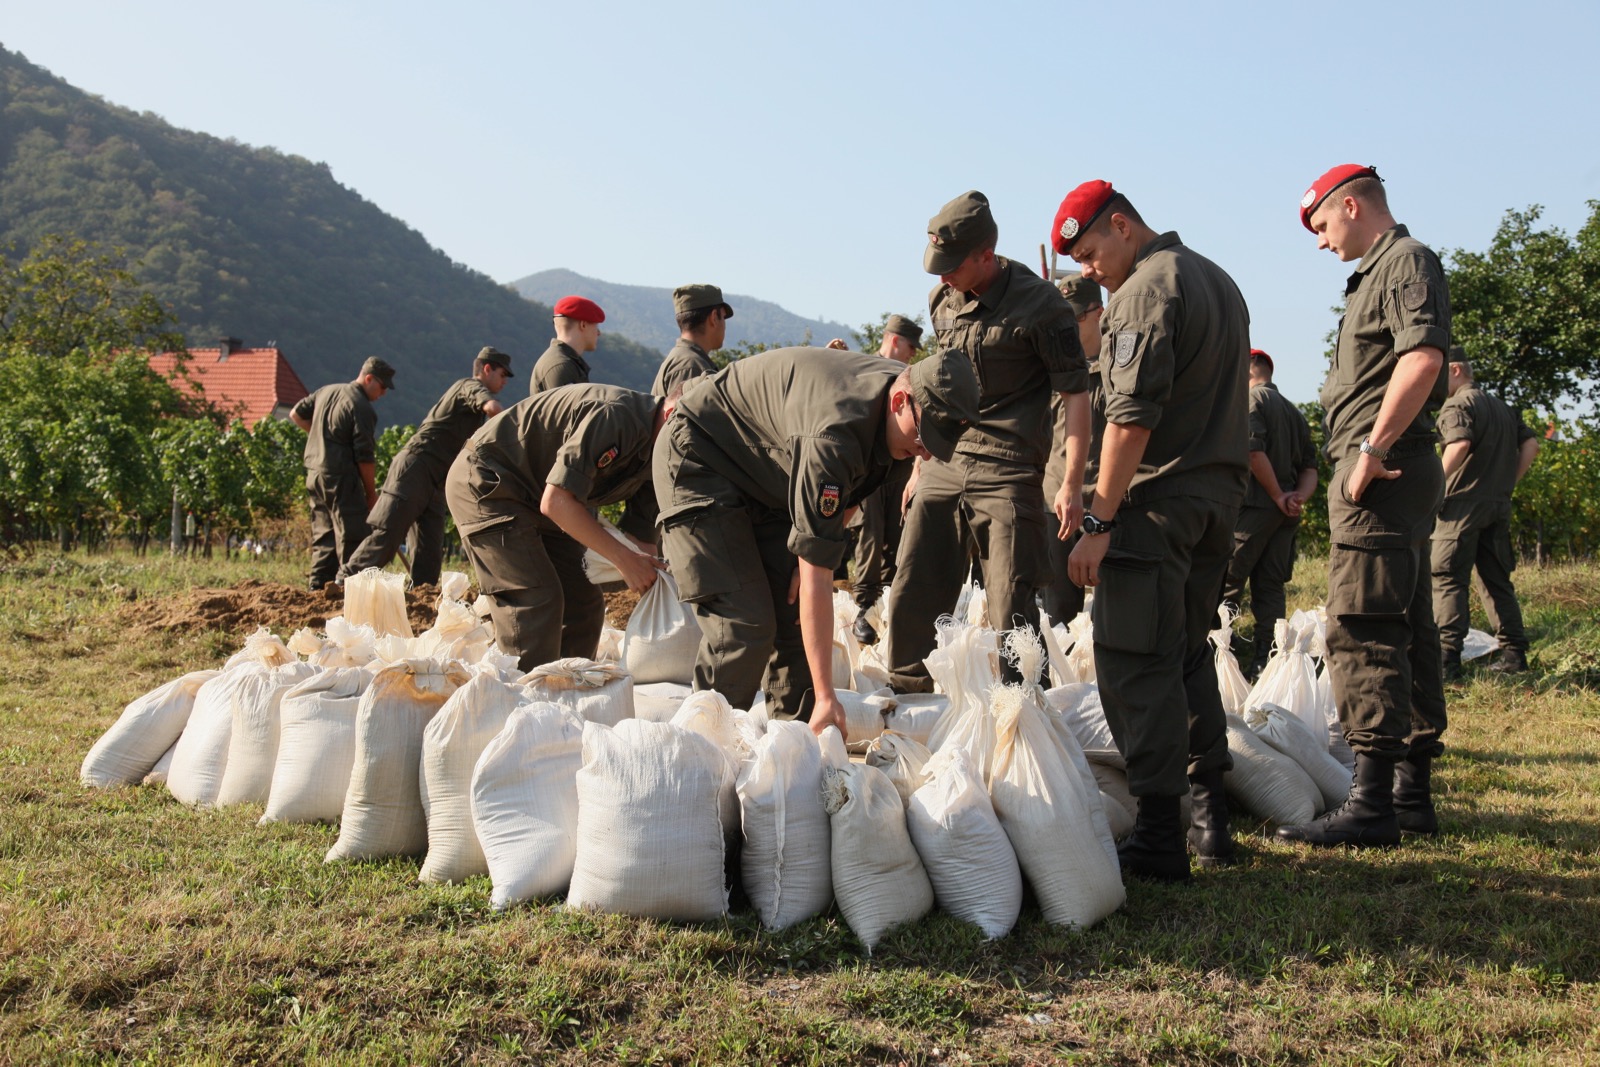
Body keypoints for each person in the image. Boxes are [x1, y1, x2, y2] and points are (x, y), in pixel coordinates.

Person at [1054, 179, 1251, 881]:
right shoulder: (1217, 279)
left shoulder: (1146, 287)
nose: (1088, 269)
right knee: (1187, 653)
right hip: (1216, 501)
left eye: (1090, 250)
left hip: (1158, 504)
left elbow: (1130, 415)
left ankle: (1161, 835)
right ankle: (1210, 818)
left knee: (1137, 662)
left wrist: (1101, 517)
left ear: (1123, 226)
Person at [654, 346, 980, 736]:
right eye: (925, 436)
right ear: (899, 402)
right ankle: (701, 755)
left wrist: (813, 548)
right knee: (745, 625)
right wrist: (828, 694)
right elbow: (818, 580)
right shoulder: (835, 436)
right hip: (698, 458)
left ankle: (795, 750)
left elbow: (851, 493)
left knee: (793, 617)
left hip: (767, 477)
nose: (926, 451)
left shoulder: (902, 410)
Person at [1277, 164, 1451, 847]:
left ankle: (1372, 803)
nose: (1321, 242)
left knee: (1363, 624)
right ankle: (1410, 795)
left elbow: (1423, 358)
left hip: (1383, 474)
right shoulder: (1382, 270)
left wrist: (1373, 450)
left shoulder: (1404, 261)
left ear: (1350, 205)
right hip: (1384, 472)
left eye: (1322, 226)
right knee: (1406, 626)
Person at [885, 191, 1090, 692]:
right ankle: (909, 703)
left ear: (986, 254)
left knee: (1009, 603)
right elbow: (935, 390)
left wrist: (1072, 483)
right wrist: (917, 467)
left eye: (952, 265)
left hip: (1009, 466)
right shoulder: (942, 301)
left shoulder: (1043, 306)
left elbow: (1076, 395)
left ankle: (1022, 717)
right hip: (945, 459)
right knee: (914, 582)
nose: (941, 277)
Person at [444, 383, 669, 672]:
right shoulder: (617, 417)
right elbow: (556, 502)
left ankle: (565, 696)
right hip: (490, 483)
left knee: (583, 603)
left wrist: (658, 587)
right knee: (535, 601)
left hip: (538, 501)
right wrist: (625, 561)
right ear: (672, 414)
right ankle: (522, 705)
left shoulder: (661, 455)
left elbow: (642, 542)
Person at [338, 347, 513, 585]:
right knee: (388, 534)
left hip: (437, 478)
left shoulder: (472, 401)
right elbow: (493, 409)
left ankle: (421, 595)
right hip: (416, 467)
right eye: (502, 375)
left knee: (430, 548)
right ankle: (345, 582)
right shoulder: (469, 386)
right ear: (487, 369)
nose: (504, 382)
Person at [1431, 349, 1540, 678]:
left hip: (1461, 506)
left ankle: (1447, 661)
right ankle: (1514, 655)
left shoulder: (1459, 404)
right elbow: (1532, 444)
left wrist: (1433, 485)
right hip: (1497, 503)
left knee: (1448, 579)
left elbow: (1459, 445)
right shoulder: (1503, 407)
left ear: (1454, 370)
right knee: (1496, 581)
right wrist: (1507, 483)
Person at [1220, 348, 1319, 679]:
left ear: (1249, 371)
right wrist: (1296, 499)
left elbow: (1252, 450)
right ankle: (1268, 660)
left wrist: (1277, 495)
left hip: (1253, 509)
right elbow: (1310, 468)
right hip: (1284, 514)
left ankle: (1222, 657)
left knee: (1227, 581)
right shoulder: (1294, 411)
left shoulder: (1252, 402)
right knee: (1270, 587)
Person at [844, 314, 922, 645]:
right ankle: (864, 607)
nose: (913, 354)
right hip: (868, 466)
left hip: (898, 466)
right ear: (893, 340)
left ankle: (887, 606)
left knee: (896, 534)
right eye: (910, 346)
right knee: (869, 534)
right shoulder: (862, 367)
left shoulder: (910, 378)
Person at [290, 356, 396, 591]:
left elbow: (296, 414)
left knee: (324, 534)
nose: (383, 393)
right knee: (352, 534)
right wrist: (371, 494)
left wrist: (321, 438)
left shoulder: (325, 391)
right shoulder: (361, 407)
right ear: (369, 379)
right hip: (340, 477)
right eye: (382, 387)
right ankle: (350, 588)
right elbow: (365, 457)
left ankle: (317, 588)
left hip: (314, 473)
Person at [1043, 274, 1105, 626]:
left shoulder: (1118, 366)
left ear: (1098, 312)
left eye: (1076, 318)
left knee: (1112, 610)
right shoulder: (1050, 370)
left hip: (1107, 499)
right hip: (1057, 500)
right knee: (1058, 613)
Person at [652, 284, 733, 398]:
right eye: (723, 317)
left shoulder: (685, 359)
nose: (724, 326)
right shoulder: (691, 366)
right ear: (714, 317)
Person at [529, 296, 605, 395]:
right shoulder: (562, 366)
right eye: (596, 327)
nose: (598, 333)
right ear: (583, 325)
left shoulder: (564, 361)